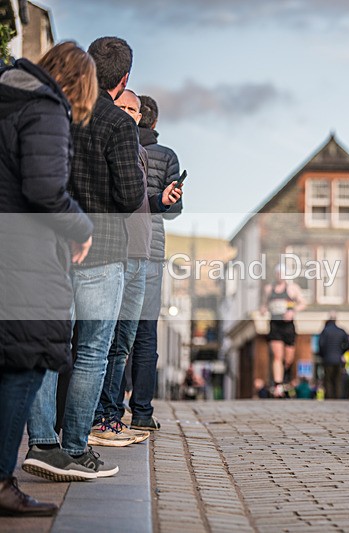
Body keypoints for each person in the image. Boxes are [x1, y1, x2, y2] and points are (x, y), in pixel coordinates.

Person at [24, 36, 145, 481]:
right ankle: (75, 447)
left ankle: (41, 443)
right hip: (105, 248)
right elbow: (132, 195)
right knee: (92, 351)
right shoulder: (118, 123)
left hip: (49, 245)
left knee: (48, 346)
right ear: (125, 78)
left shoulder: (54, 109)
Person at [0, 41, 96, 516]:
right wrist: (82, 227)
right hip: (23, 255)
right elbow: (44, 188)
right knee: (26, 361)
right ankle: (1, 482)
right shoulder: (45, 106)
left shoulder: (8, 94)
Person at [90, 89, 182, 447]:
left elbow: (146, 203)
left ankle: (113, 415)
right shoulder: (123, 145)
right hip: (119, 248)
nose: (129, 114)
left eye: (134, 110)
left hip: (143, 250)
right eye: (123, 107)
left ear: (144, 117)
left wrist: (162, 199)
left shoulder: (142, 152)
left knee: (125, 339)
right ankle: (115, 414)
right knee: (116, 339)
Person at [128, 94, 184, 432]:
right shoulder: (167, 156)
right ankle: (142, 412)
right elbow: (174, 210)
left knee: (116, 329)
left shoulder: (117, 142)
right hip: (152, 246)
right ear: (156, 122)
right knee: (146, 331)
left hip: (120, 242)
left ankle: (107, 407)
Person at [262, 266, 306, 397]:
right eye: (278, 273)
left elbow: (303, 303)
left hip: (288, 326)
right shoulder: (269, 289)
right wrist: (263, 309)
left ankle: (285, 375)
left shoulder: (293, 288)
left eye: (282, 273)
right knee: (277, 356)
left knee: (288, 358)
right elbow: (264, 303)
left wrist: (293, 311)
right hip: (275, 325)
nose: (280, 276)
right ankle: (278, 385)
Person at [318, 314, 349, 399]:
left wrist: (323, 355)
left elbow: (321, 345)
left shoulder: (325, 331)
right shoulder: (341, 331)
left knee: (328, 380)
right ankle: (338, 397)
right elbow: (348, 345)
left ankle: (329, 397)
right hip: (338, 359)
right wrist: (341, 352)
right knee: (338, 380)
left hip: (327, 359)